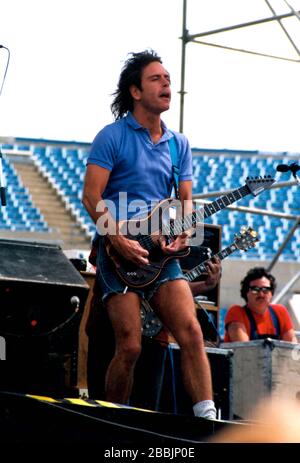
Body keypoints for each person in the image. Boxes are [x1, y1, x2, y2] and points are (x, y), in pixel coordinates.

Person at [82, 49, 217, 419]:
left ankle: (207, 418)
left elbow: (186, 201)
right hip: (117, 251)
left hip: (160, 254)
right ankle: (114, 420)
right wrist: (115, 239)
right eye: (156, 79)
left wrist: (184, 233)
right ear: (136, 92)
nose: (166, 84)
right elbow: (91, 195)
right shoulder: (111, 136)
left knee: (190, 331)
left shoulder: (179, 144)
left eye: (168, 79)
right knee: (129, 346)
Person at [224, 266, 297, 343]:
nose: (261, 294)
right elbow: (244, 350)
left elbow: (291, 348)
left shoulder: (280, 312)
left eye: (265, 290)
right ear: (246, 292)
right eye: (255, 289)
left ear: (271, 293)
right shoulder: (236, 312)